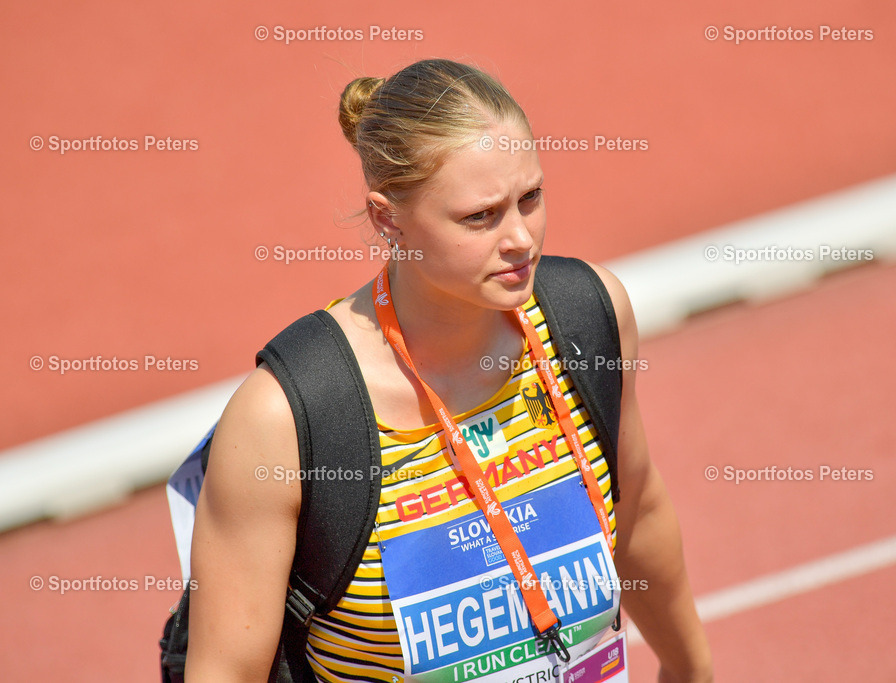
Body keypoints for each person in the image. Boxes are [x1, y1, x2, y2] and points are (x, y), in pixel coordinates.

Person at [185, 58, 712, 682]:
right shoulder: (287, 417)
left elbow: (639, 509)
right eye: (480, 217)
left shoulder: (586, 316)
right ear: (388, 218)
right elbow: (226, 671)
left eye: (531, 198)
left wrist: (690, 669)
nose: (521, 238)